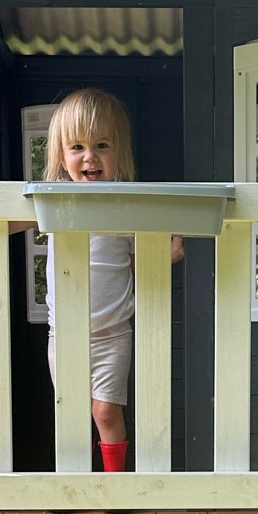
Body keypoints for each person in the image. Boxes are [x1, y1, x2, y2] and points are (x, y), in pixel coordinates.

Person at [25, 88, 182, 475]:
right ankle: (72, 482)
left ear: (119, 154)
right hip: (64, 332)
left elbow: (143, 252)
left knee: (106, 410)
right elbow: (6, 219)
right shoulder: (54, 200)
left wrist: (171, 252)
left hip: (113, 334)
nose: (89, 156)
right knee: (70, 410)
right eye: (76, 146)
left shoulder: (124, 204)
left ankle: (114, 483)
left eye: (101, 145)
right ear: (61, 157)